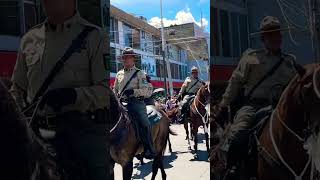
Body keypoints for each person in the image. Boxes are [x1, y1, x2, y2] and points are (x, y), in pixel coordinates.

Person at [9, 0, 110, 179]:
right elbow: (17, 89)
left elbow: (104, 93)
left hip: (81, 132)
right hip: (37, 131)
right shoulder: (29, 39)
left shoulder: (95, 36)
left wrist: (72, 95)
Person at [213, 16, 298, 176]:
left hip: (281, 106)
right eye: (270, 35)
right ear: (263, 39)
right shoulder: (251, 57)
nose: (275, 38)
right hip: (254, 106)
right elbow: (235, 82)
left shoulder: (289, 61)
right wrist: (223, 105)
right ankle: (231, 168)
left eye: (277, 34)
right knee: (237, 137)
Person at [113, 47, 156, 159]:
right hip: (121, 102)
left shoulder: (140, 73)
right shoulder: (119, 74)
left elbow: (147, 91)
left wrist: (133, 91)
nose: (125, 60)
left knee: (144, 122)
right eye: (124, 58)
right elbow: (115, 90)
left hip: (136, 102)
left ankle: (149, 148)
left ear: (133, 59)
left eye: (127, 58)